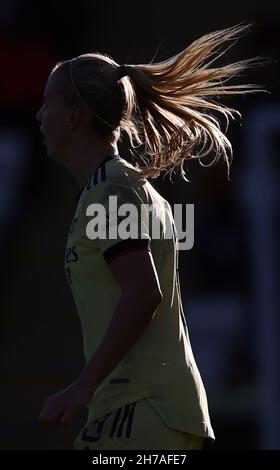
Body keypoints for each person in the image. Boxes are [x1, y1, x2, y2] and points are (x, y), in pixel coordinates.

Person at [36, 24, 261, 450]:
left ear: (73, 115)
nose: (38, 116)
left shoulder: (111, 190)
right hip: (141, 411)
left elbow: (143, 293)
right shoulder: (118, 186)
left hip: (142, 410)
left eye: (46, 104)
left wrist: (82, 386)